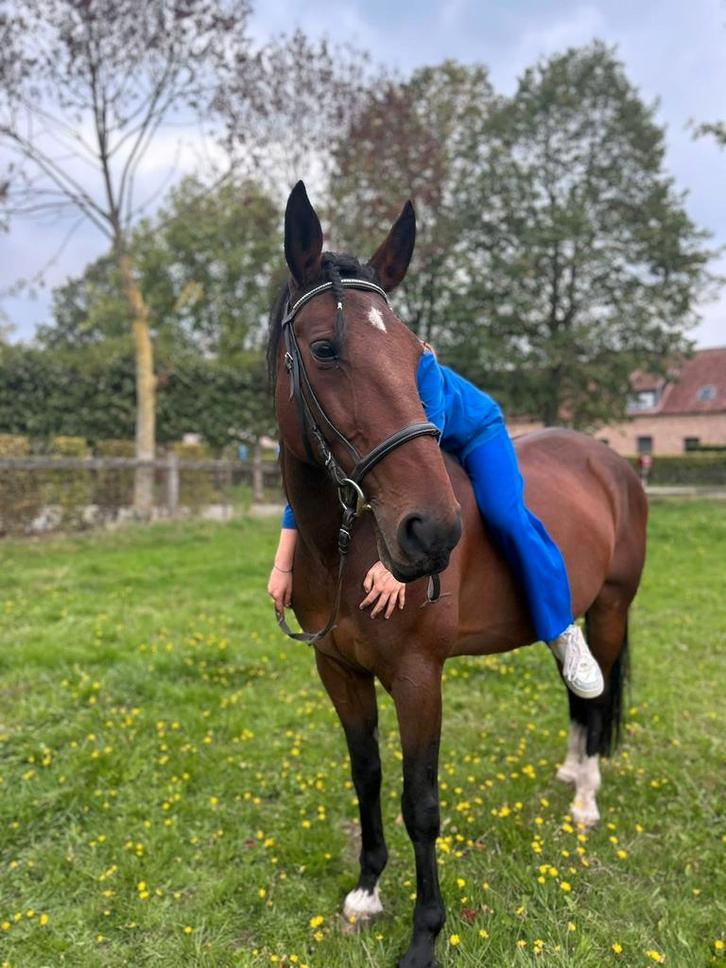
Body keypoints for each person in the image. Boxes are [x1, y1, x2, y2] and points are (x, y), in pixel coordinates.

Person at [268, 344, 604, 699]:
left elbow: (423, 481)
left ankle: (564, 631)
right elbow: (306, 494)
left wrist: (395, 566)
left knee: (505, 515)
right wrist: (283, 566)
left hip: (473, 431)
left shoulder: (418, 364)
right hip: (419, 445)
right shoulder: (341, 392)